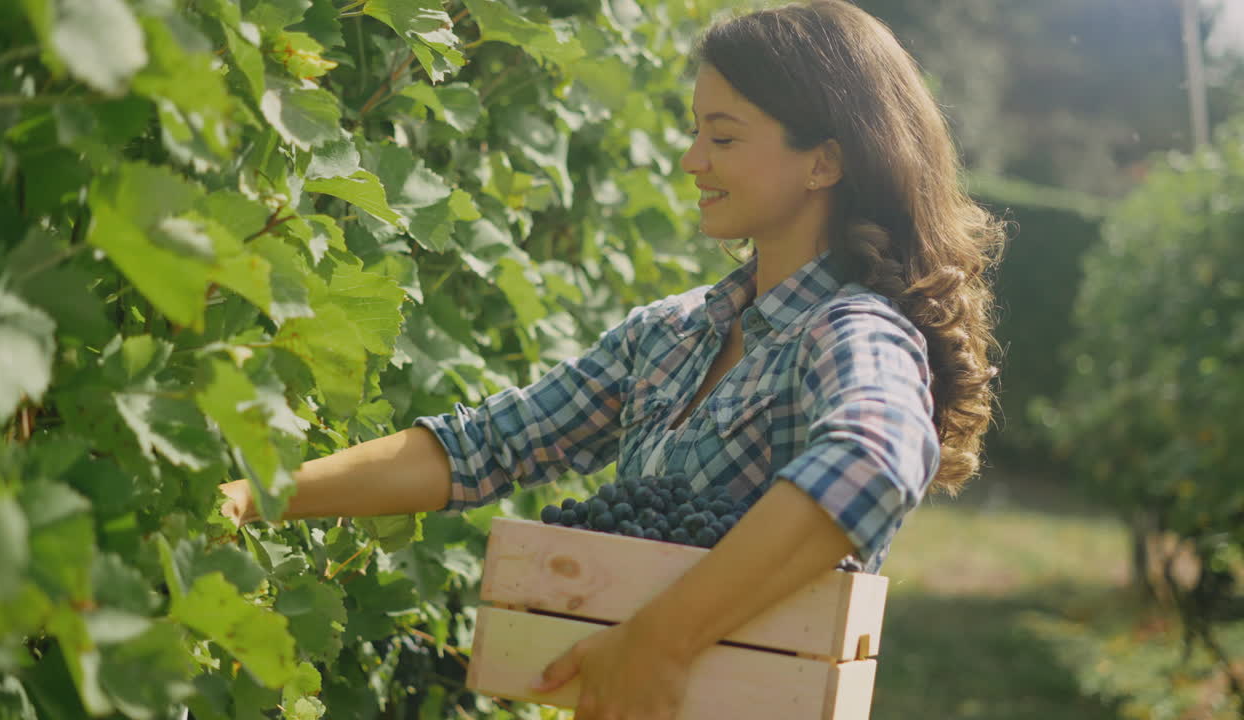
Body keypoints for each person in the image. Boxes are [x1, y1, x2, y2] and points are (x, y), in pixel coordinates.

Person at [219, 0, 1006, 717]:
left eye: (724, 137)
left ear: (824, 162)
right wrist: (256, 494)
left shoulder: (852, 330)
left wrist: (662, 637)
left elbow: (875, 460)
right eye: (696, 131)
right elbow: (484, 446)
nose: (694, 160)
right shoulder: (669, 336)